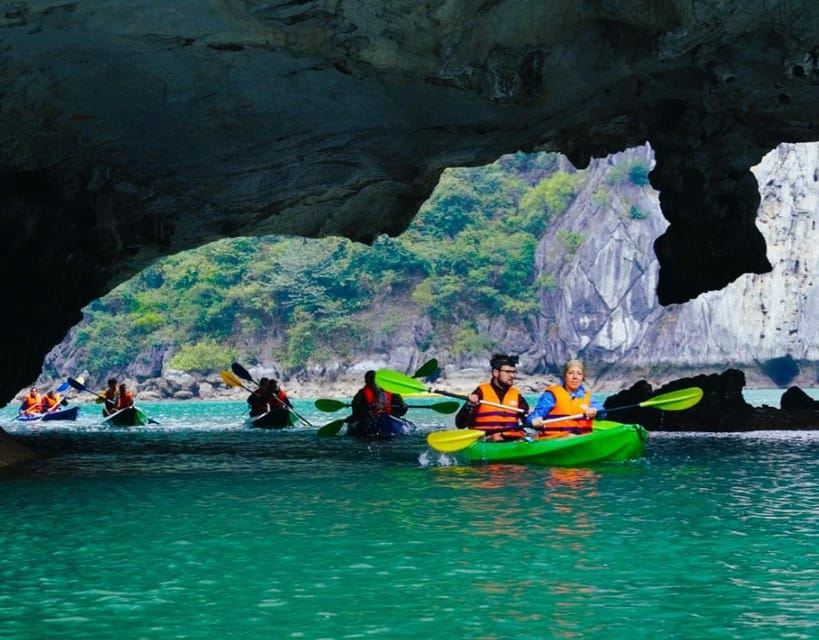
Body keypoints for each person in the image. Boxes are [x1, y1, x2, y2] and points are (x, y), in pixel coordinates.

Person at [454, 354, 530, 441]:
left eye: (513, 372)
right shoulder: (481, 392)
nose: (512, 376)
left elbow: (527, 420)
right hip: (487, 439)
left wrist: (533, 419)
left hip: (512, 439)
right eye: (508, 372)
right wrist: (469, 405)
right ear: (496, 373)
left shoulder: (516, 395)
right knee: (496, 437)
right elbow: (460, 424)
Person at [526, 358, 605, 438]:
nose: (575, 377)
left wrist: (596, 412)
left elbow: (603, 414)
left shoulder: (587, 396)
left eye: (579, 374)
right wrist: (534, 421)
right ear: (564, 376)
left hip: (582, 440)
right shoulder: (551, 396)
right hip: (556, 440)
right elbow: (531, 418)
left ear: (583, 377)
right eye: (570, 373)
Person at [348, 370, 408, 438]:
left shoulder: (393, 392)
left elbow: (402, 410)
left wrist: (403, 407)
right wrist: (368, 408)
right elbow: (356, 411)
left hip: (389, 417)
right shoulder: (361, 394)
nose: (373, 382)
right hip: (368, 418)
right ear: (367, 381)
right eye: (371, 379)